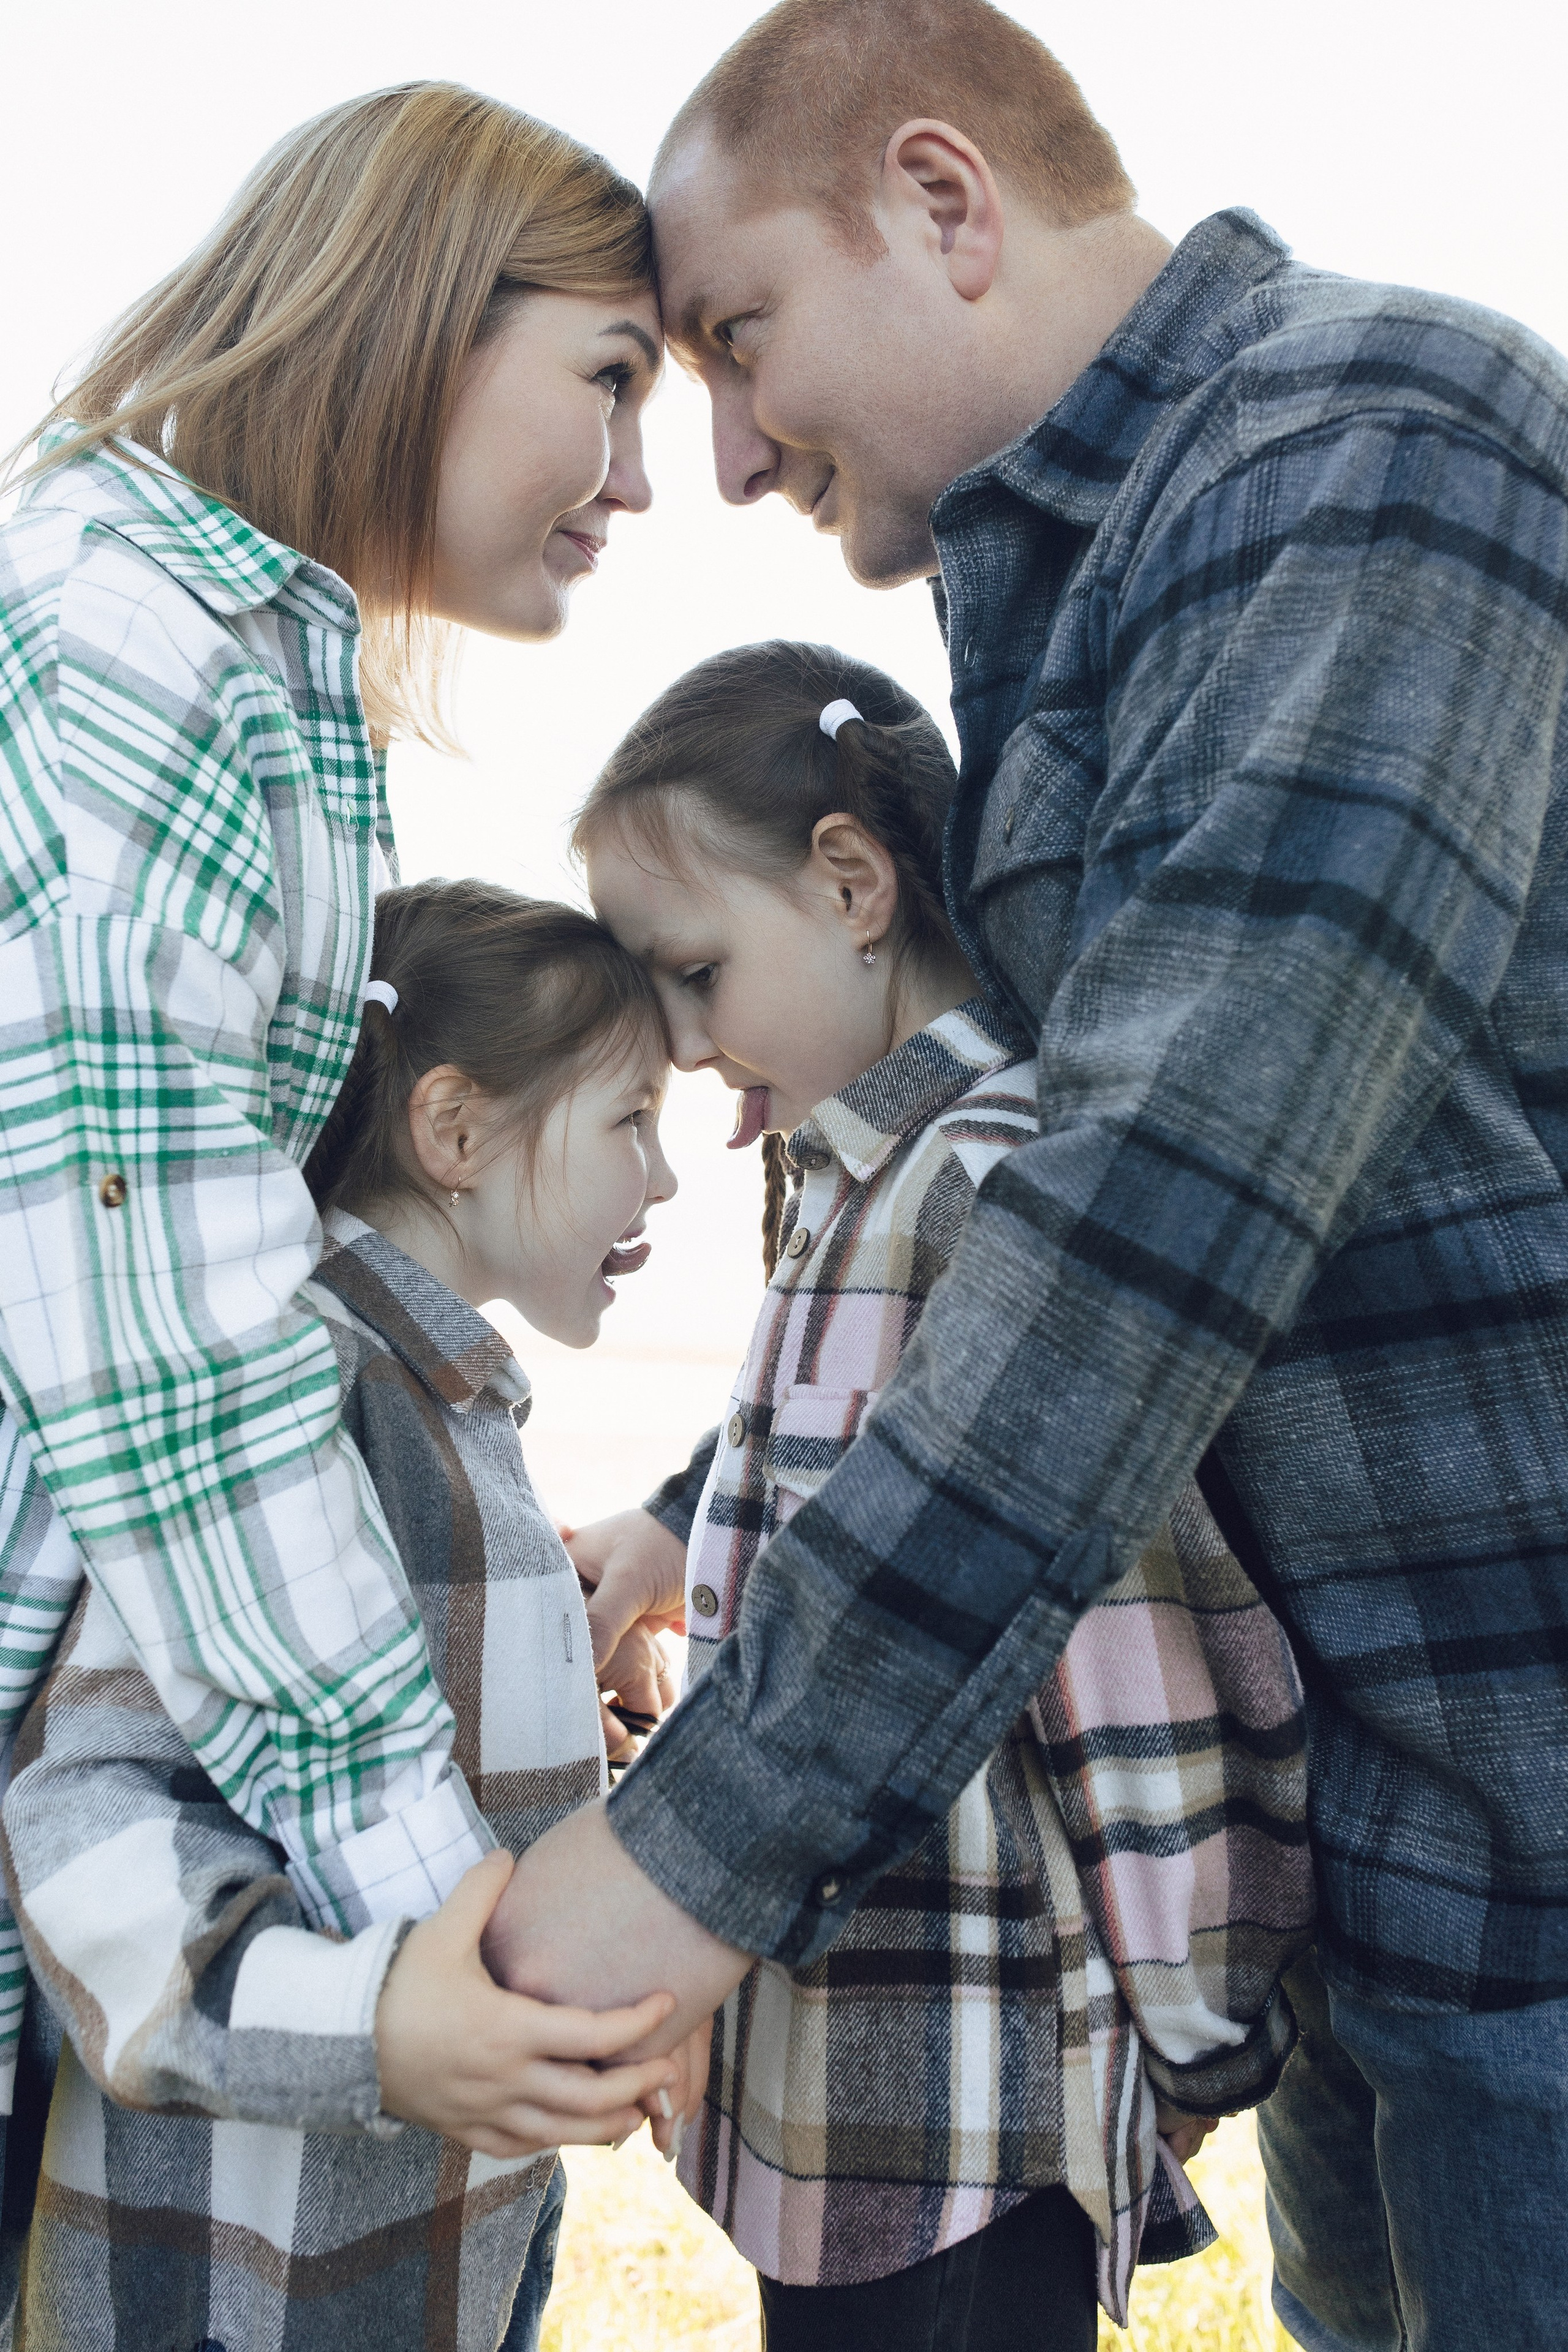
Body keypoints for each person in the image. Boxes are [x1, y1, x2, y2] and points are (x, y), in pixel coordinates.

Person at [480, 6, 1568, 2345]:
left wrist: (692, 1854)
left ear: (946, 202)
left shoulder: (1371, 444)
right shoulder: (1081, 603)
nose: (737, 452)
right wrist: (689, 1505)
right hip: (1372, 1883)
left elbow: (1158, 1218)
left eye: (742, 338)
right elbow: (1023, 1204)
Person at [0, 77, 661, 2124]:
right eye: (612, 377)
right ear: (430, 312)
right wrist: (437, 1905)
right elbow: (158, 1349)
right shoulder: (136, 647)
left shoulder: (247, 658)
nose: (640, 478)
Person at [570, 639, 1314, 2349]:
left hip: (968, 2100)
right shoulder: (851, 1178)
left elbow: (1141, 1662)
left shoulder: (993, 1181)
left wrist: (1193, 2025)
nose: (678, 1044)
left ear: (850, 880)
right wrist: (674, 1538)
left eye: (692, 973)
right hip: (837, 2089)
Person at [0, 881, 707, 2352]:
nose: (664, 1182)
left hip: (425, 2254)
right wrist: (371, 2025)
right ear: (453, 1132)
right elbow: (87, 1822)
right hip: (235, 2286)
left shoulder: (447, 1412)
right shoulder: (298, 1417)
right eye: (629, 1121)